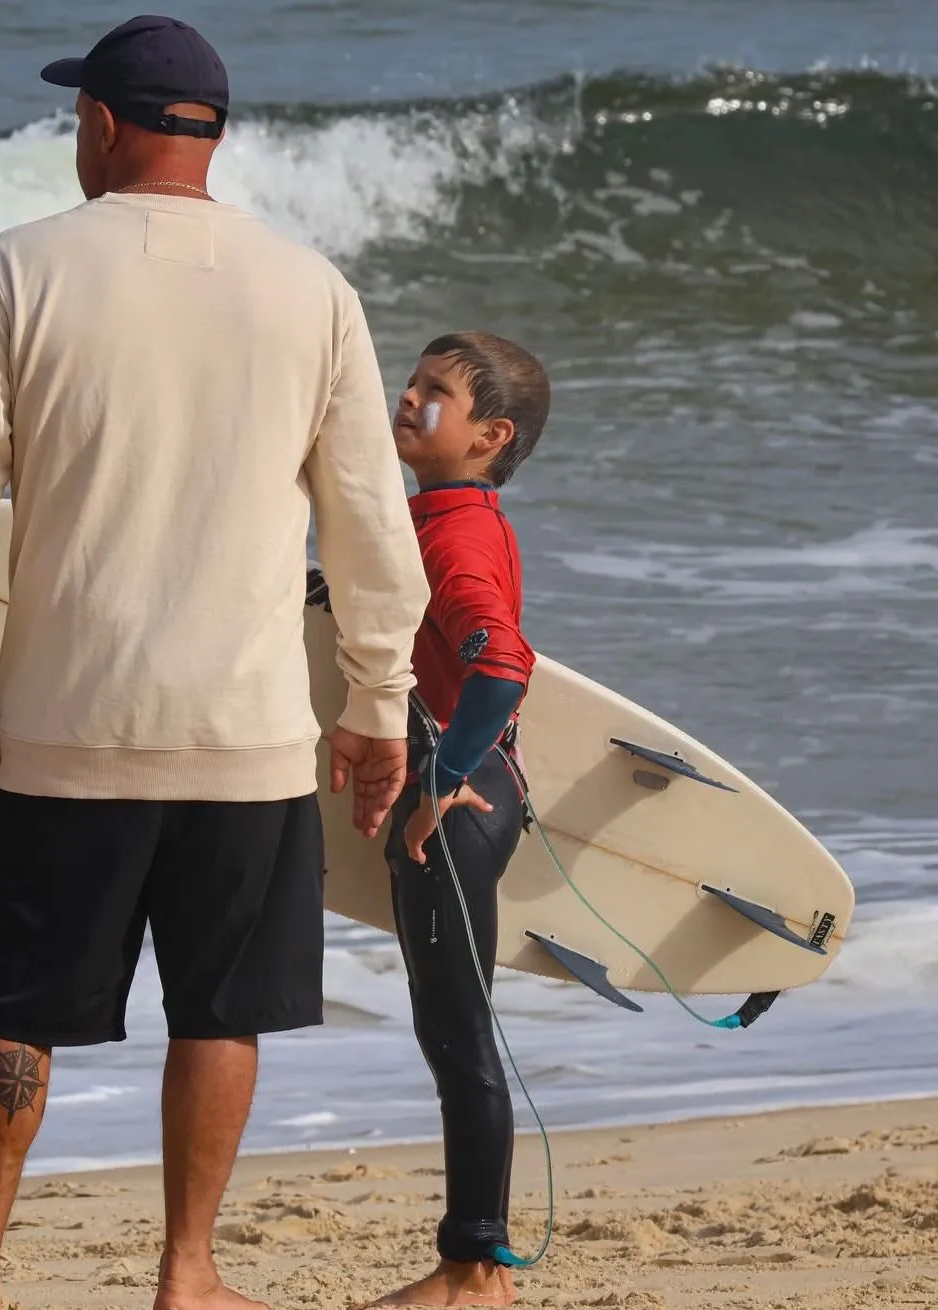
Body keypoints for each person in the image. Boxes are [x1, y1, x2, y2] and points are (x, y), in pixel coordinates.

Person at [0, 16, 430, 1310]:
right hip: (244, 733)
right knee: (220, 1007)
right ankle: (189, 1273)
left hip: (69, 726)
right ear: (212, 133)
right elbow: (369, 519)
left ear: (100, 124)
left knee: (18, 1000)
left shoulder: (20, 269)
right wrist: (375, 701)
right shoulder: (309, 288)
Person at [374, 331, 550, 1308]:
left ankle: (473, 1270)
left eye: (433, 391)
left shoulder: (454, 532)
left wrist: (438, 775)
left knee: (458, 1038)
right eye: (409, 381)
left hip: (460, 801)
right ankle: (470, 1263)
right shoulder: (441, 513)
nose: (407, 398)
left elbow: (500, 663)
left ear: (489, 435)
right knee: (451, 1032)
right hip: (471, 788)